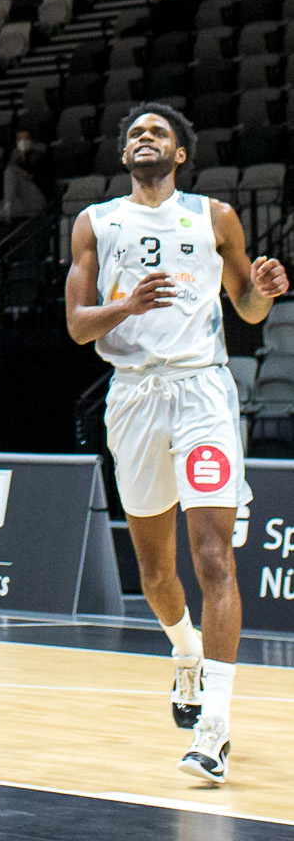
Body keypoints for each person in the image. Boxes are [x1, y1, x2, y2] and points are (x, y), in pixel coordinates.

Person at [65, 103, 288, 785]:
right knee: (157, 574)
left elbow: (245, 307)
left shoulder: (215, 216)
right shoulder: (95, 222)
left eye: (157, 132)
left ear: (180, 154)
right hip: (132, 396)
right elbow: (77, 326)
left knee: (213, 557)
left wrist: (263, 294)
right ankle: (184, 653)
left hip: (201, 393)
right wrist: (125, 307)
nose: (144, 139)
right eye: (135, 132)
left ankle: (215, 727)